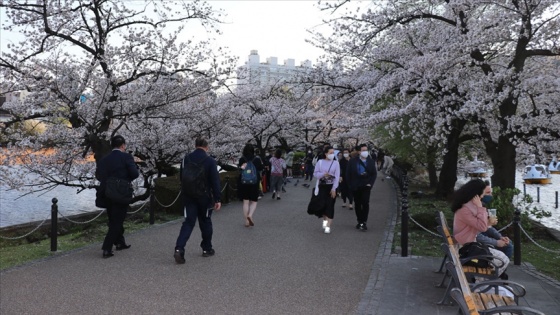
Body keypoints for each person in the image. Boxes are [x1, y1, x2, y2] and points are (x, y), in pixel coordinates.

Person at [174, 138, 222, 264]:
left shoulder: (186, 159)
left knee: (188, 222)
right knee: (205, 221)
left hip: (188, 195)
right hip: (204, 197)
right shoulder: (210, 161)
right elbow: (215, 181)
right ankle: (207, 249)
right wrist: (217, 198)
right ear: (207, 147)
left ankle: (179, 248)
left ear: (195, 146)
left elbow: (182, 178)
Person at [451, 179, 509, 278]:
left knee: (501, 258)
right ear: (476, 194)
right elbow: (481, 227)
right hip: (465, 247)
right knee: (503, 259)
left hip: (468, 243)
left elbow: (478, 227)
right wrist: (480, 207)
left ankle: (487, 281)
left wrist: (489, 223)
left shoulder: (468, 207)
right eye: (482, 193)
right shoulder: (466, 209)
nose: (483, 196)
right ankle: (484, 283)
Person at [96, 135, 139, 258]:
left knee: (113, 218)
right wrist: (125, 179)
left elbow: (100, 176)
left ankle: (120, 242)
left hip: (107, 192)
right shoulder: (126, 157)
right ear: (123, 145)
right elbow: (134, 174)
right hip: (121, 192)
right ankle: (107, 248)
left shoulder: (104, 159)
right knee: (117, 220)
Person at [476, 181, 513, 258]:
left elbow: (488, 228)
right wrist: (496, 242)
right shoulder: (475, 209)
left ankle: (499, 266)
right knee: (508, 246)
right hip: (476, 243)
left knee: (508, 243)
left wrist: (500, 237)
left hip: (482, 237)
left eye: (491, 193)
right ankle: (498, 266)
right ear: (480, 194)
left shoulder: (483, 206)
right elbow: (477, 235)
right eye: (488, 193)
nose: (491, 195)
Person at [346, 144, 377, 231]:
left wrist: (370, 184)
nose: (365, 152)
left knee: (365, 202)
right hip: (356, 186)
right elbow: (348, 174)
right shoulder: (352, 161)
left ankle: (364, 221)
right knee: (358, 203)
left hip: (366, 185)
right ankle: (359, 221)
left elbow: (374, 174)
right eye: (363, 150)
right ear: (359, 152)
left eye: (366, 150)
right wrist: (350, 185)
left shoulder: (370, 161)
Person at [313, 146, 340, 234]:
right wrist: (323, 174)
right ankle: (325, 221)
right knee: (323, 206)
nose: (332, 154)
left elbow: (337, 177)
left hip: (331, 186)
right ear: (325, 154)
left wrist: (334, 189)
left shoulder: (336, 163)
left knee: (330, 206)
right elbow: (315, 174)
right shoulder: (320, 162)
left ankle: (328, 226)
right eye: (330, 153)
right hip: (322, 187)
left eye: (333, 153)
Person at [238, 144, 264, 227]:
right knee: (254, 201)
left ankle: (246, 221)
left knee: (245, 202)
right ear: (253, 150)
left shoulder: (242, 159)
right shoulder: (257, 159)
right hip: (254, 182)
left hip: (244, 182)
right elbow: (261, 168)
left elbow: (240, 169)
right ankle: (250, 215)